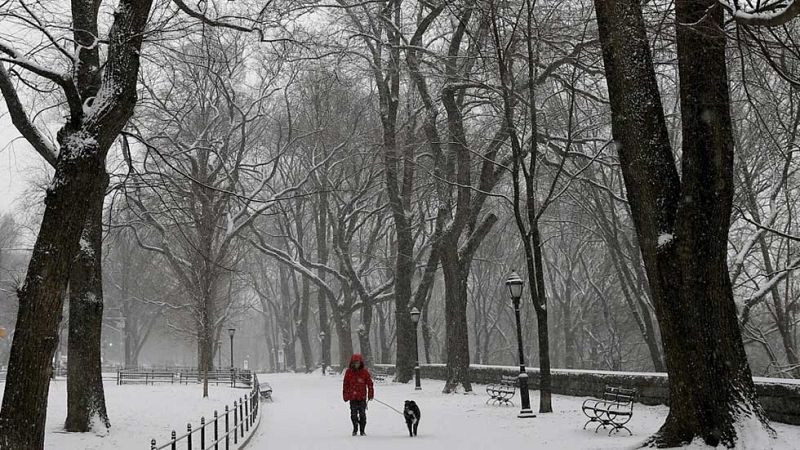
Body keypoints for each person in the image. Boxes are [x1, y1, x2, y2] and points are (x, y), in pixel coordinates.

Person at [342, 353, 374, 436]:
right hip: (352, 397)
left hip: (362, 397)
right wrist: (345, 395)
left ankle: (362, 430)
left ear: (360, 363)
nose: (356, 364)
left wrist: (371, 393)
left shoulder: (364, 372)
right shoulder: (348, 372)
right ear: (352, 363)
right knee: (353, 415)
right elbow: (345, 384)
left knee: (362, 414)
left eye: (358, 362)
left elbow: (370, 383)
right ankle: (355, 428)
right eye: (355, 362)